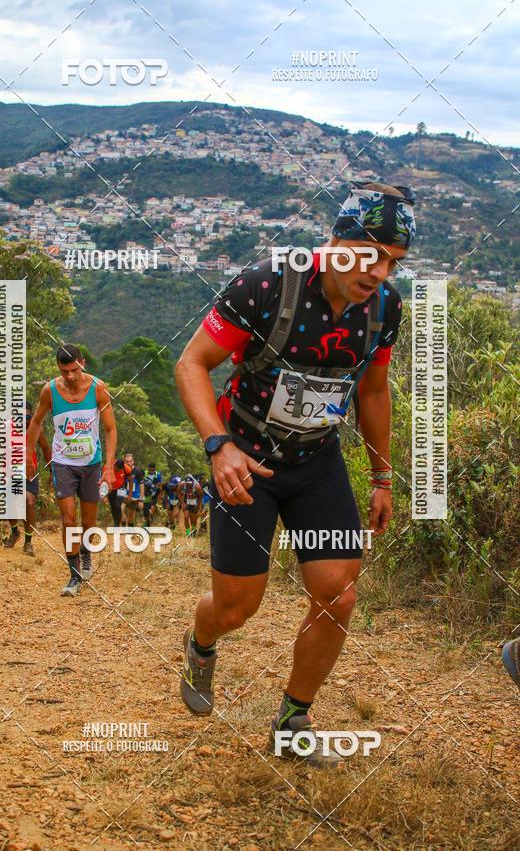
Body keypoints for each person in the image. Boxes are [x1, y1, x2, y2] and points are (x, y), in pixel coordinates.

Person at [175, 181, 416, 767]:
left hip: (316, 461)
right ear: (336, 241)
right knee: (238, 607)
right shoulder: (268, 284)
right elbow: (192, 364)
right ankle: (202, 642)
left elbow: (375, 390)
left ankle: (292, 720)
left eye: (394, 261)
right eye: (370, 254)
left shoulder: (383, 308)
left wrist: (383, 478)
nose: (379, 272)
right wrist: (218, 446)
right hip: (246, 462)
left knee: (338, 593)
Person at [26, 344, 117, 597]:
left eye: (74, 370)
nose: (70, 376)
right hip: (63, 463)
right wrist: (28, 454)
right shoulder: (50, 391)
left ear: (82, 363)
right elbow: (36, 422)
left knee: (88, 521)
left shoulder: (98, 389)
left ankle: (86, 554)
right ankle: (74, 575)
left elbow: (110, 429)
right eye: (64, 371)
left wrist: (109, 466)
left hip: (91, 463)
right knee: (68, 519)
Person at [0, 402, 52, 556]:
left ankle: (28, 542)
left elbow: (45, 448)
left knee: (29, 501)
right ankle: (15, 532)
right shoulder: (4, 428)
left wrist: (52, 470)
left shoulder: (36, 429)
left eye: (28, 416)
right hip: (9, 474)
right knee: (10, 505)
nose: (24, 420)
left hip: (29, 473)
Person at [108, 457, 133, 528]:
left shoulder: (127, 469)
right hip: (111, 488)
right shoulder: (108, 467)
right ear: (114, 465)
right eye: (117, 468)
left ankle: (116, 525)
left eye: (120, 469)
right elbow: (104, 480)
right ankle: (115, 522)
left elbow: (131, 482)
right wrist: (105, 495)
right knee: (113, 507)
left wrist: (130, 495)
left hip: (121, 488)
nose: (118, 470)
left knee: (117, 505)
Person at [125, 461, 145, 526]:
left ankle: (131, 529)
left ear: (133, 461)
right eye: (127, 461)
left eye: (130, 461)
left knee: (131, 514)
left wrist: (141, 500)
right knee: (120, 508)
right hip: (125, 494)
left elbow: (141, 486)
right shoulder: (123, 469)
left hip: (135, 497)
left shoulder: (138, 472)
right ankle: (122, 524)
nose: (128, 463)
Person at [143, 462, 163, 527]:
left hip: (154, 494)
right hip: (145, 494)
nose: (151, 471)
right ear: (148, 468)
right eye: (150, 470)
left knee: (151, 509)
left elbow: (159, 484)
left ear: (155, 469)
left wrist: (154, 488)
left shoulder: (158, 474)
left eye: (152, 470)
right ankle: (148, 521)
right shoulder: (144, 473)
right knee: (145, 512)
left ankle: (150, 518)